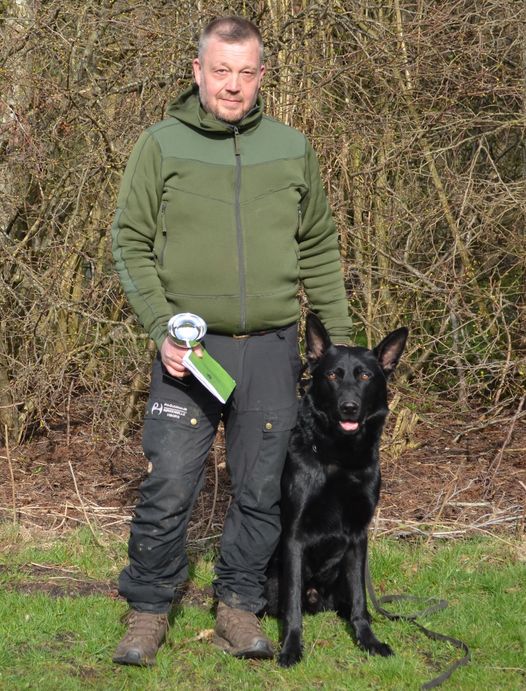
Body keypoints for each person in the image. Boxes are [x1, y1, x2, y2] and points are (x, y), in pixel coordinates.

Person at [111, 16, 352, 666]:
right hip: (189, 352)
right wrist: (163, 327)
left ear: (262, 76)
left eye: (247, 73)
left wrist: (343, 349)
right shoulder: (160, 144)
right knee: (171, 482)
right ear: (197, 71)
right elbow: (128, 240)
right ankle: (149, 606)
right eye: (222, 70)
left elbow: (321, 247)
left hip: (272, 349)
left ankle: (240, 602)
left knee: (261, 487)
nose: (234, 85)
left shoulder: (292, 146)